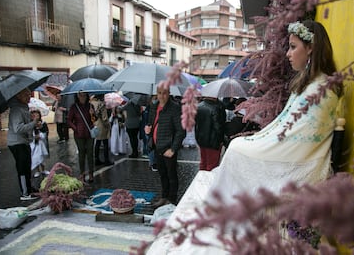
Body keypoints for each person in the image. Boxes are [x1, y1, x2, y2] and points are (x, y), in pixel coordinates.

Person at [205, 20, 343, 206]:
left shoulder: (321, 89)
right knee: (237, 146)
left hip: (303, 161)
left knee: (237, 149)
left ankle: (225, 210)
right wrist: (258, 140)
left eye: (293, 47)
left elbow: (298, 139)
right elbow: (284, 125)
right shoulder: (310, 84)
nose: (288, 54)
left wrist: (258, 144)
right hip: (291, 150)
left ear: (310, 48)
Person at [145, 85, 186, 208]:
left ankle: (171, 199)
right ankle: (164, 197)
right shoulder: (154, 106)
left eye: (164, 93)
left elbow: (181, 131)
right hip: (157, 147)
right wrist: (148, 130)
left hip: (168, 148)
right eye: (159, 93)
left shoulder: (175, 108)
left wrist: (173, 149)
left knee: (171, 175)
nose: (161, 96)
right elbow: (151, 123)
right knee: (162, 174)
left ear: (169, 93)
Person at [7, 88, 41, 201]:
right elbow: (18, 128)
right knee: (22, 168)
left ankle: (29, 188)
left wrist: (34, 124)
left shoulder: (24, 108)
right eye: (26, 95)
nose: (29, 97)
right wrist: (33, 123)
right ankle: (25, 193)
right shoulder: (16, 109)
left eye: (29, 94)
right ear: (19, 96)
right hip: (17, 143)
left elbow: (27, 126)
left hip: (24, 142)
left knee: (27, 167)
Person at [67, 92, 95, 182]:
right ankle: (82, 173)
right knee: (81, 154)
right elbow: (69, 120)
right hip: (79, 134)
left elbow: (95, 119)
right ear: (77, 96)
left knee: (90, 153)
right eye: (80, 95)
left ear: (87, 96)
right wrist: (76, 128)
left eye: (84, 95)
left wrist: (93, 114)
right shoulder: (74, 107)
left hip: (90, 133)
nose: (82, 97)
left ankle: (91, 173)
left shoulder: (90, 106)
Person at [194, 96, 226, 171]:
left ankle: (201, 180)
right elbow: (218, 127)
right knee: (212, 165)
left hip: (201, 138)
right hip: (213, 140)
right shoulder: (216, 108)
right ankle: (209, 182)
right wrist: (221, 140)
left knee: (203, 162)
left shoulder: (198, 106)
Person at [91, 94, 112, 166]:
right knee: (105, 142)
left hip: (95, 124)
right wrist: (108, 125)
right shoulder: (101, 104)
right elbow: (104, 118)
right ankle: (106, 160)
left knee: (97, 142)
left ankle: (96, 159)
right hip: (102, 125)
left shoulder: (91, 103)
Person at [30, 110, 50, 177]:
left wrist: (41, 134)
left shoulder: (43, 123)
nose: (36, 117)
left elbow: (46, 132)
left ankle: (43, 169)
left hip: (41, 143)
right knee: (35, 157)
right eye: (34, 116)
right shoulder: (30, 124)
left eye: (37, 115)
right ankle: (38, 170)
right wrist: (34, 137)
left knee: (42, 157)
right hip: (34, 143)